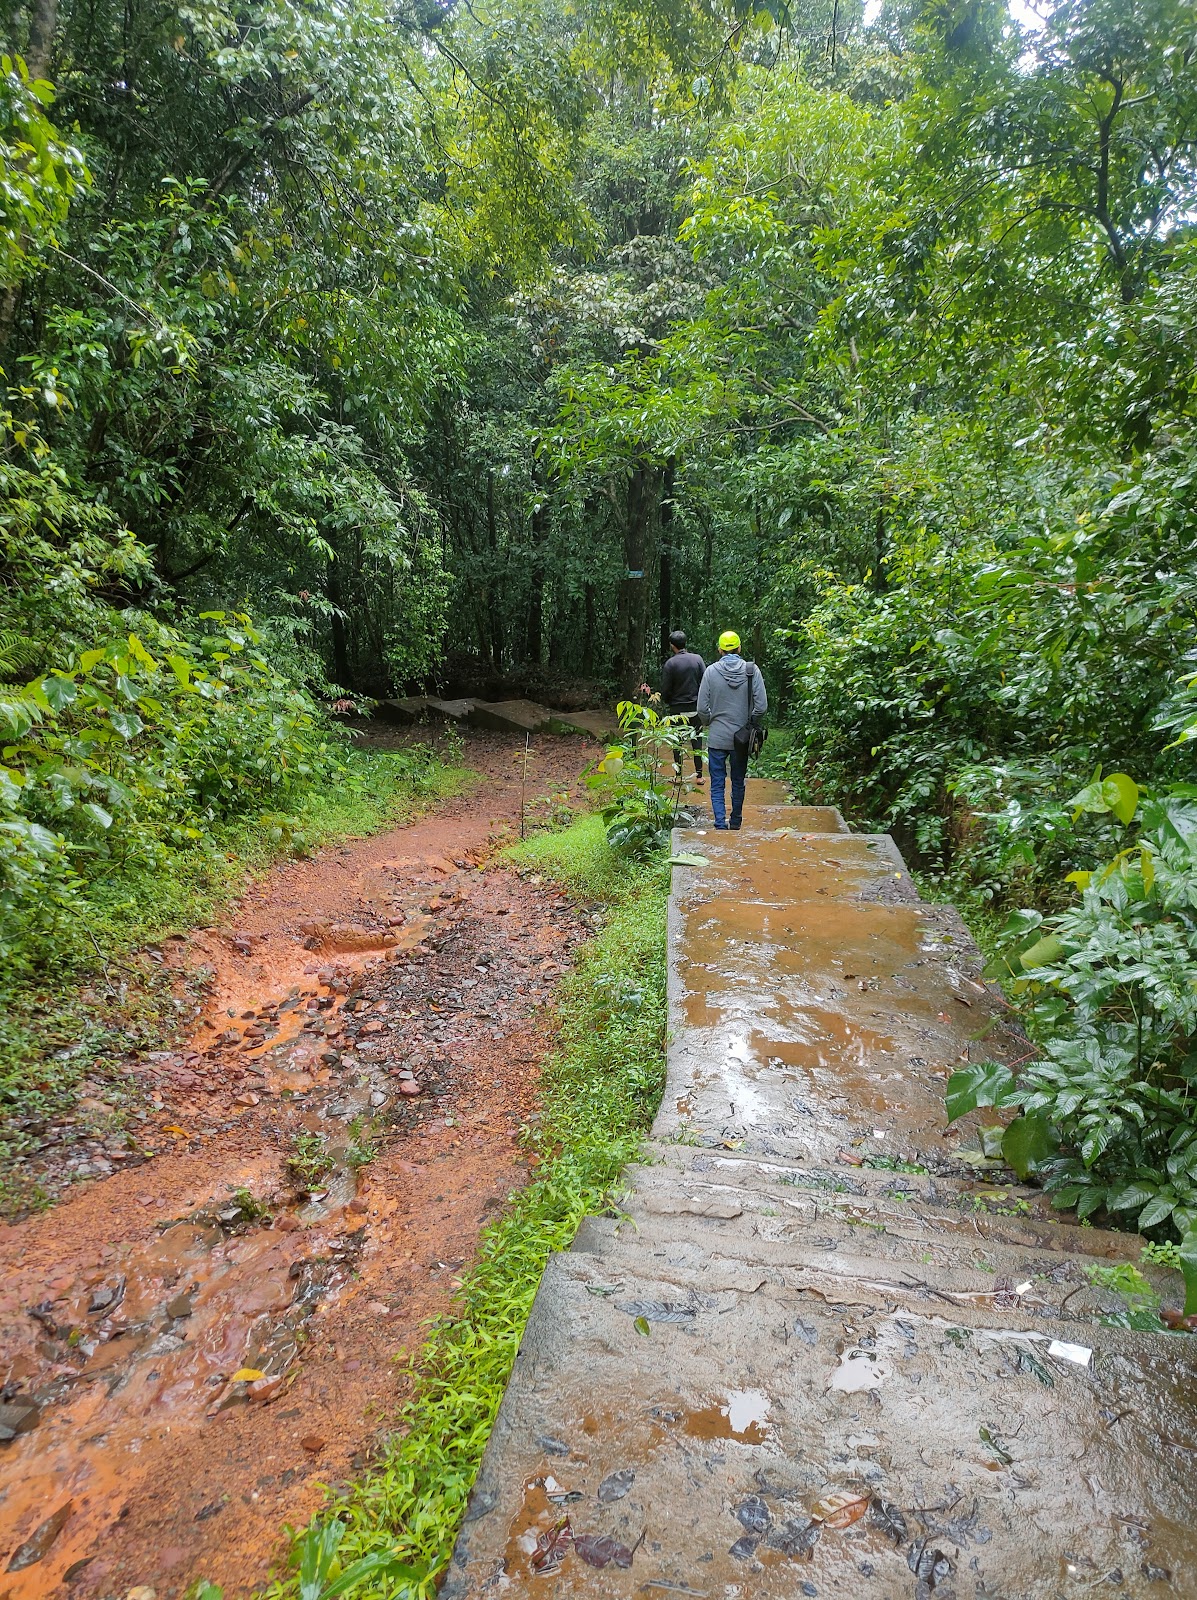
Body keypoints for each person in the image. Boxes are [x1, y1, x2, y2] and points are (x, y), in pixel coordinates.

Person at [696, 630, 767, 830]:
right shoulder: (752, 671)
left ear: (720, 650)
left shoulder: (710, 672)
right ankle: (735, 822)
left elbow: (702, 708)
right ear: (739, 648)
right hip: (741, 740)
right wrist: (750, 723)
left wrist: (709, 721)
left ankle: (720, 823)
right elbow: (761, 707)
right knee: (738, 780)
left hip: (717, 738)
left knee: (717, 782)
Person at [660, 629, 706, 782]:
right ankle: (699, 776)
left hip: (677, 709)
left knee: (677, 742)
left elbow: (666, 689)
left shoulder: (670, 663)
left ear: (672, 645)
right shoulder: (697, 659)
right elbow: (705, 682)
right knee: (697, 741)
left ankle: (678, 776)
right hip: (695, 707)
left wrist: (668, 702)